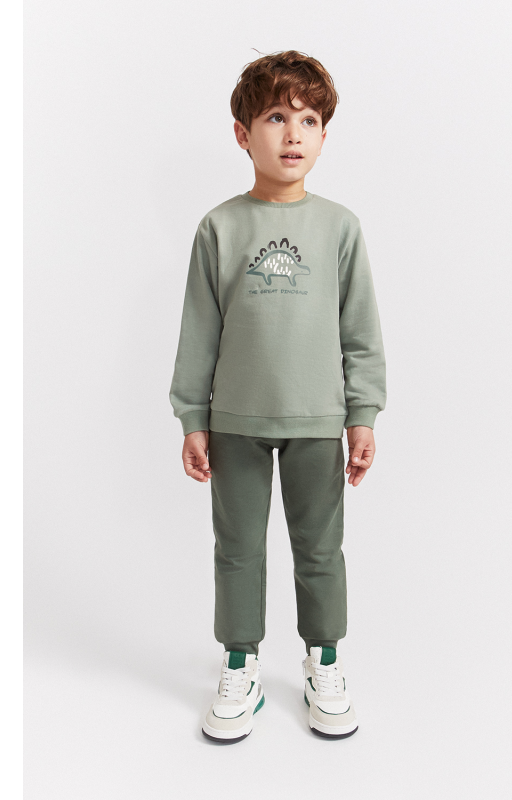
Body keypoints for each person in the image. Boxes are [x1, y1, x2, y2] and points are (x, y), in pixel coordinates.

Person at [169, 50, 386, 743]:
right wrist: (192, 416)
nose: (293, 133)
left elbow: (360, 331)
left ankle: (325, 659)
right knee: (237, 548)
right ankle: (240, 662)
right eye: (274, 117)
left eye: (309, 119)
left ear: (324, 135)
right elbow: (199, 330)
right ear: (242, 133)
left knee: (320, 548)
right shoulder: (220, 228)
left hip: (318, 420)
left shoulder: (341, 227)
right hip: (234, 419)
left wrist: (362, 415)